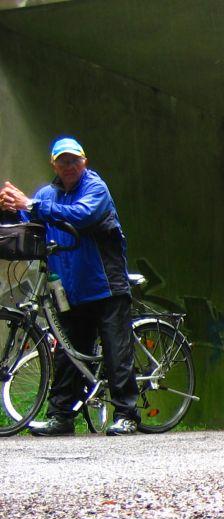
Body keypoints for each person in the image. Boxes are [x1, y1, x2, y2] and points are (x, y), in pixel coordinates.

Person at [0, 137, 140, 436]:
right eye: (63, 161)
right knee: (68, 353)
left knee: (117, 351)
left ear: (84, 161)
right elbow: (28, 220)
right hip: (70, 290)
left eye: (74, 160)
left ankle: (127, 414)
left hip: (106, 286)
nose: (69, 166)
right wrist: (10, 209)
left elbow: (83, 214)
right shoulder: (47, 195)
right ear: (54, 165)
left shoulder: (95, 188)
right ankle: (61, 417)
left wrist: (32, 205)